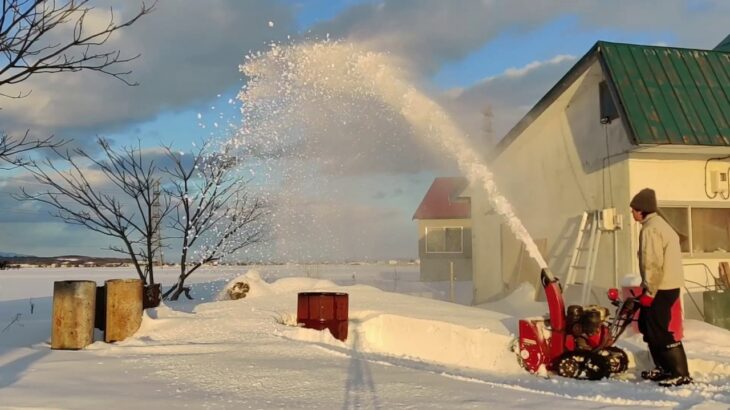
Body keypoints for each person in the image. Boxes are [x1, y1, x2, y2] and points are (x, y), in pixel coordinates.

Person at [630, 188, 692, 386]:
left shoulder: (651, 229)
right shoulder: (659, 225)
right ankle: (663, 368)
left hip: (661, 287)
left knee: (659, 329)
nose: (632, 213)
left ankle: (679, 372)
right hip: (666, 286)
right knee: (648, 327)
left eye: (633, 210)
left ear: (642, 210)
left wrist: (649, 291)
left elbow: (652, 263)